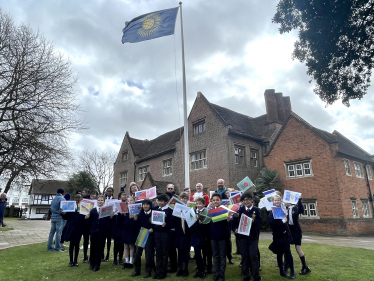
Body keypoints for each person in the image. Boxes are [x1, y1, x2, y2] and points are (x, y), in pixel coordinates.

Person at [234, 192, 262, 281]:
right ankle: (246, 275)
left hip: (253, 237)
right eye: (244, 200)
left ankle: (256, 276)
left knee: (253, 256)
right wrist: (235, 227)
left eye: (248, 199)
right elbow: (234, 221)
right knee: (245, 256)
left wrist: (254, 222)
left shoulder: (256, 210)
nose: (246, 201)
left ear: (252, 200)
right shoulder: (241, 210)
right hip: (243, 237)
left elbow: (261, 222)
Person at [268, 194, 295, 279]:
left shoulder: (284, 210)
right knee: (279, 254)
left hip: (285, 235)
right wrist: (282, 221)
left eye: (278, 200)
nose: (276, 202)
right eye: (275, 200)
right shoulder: (271, 212)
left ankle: (292, 272)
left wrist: (285, 219)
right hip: (277, 236)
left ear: (281, 201)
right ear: (273, 201)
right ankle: (281, 271)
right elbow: (272, 224)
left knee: (288, 253)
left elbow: (287, 224)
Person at [85, 195, 111, 272]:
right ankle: (91, 263)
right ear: (97, 201)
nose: (100, 201)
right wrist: (87, 218)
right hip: (93, 231)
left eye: (101, 200)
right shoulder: (93, 211)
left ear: (104, 201)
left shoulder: (106, 211)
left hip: (102, 232)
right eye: (99, 200)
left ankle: (97, 264)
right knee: (93, 247)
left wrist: (111, 216)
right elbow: (89, 222)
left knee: (100, 248)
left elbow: (108, 222)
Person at [286, 198, 311, 275]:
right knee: (286, 248)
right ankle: (286, 265)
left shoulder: (295, 208)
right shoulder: (285, 209)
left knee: (298, 248)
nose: (285, 202)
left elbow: (301, 210)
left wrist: (299, 201)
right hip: (289, 231)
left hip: (296, 231)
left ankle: (305, 267)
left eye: (286, 200)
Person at [60, 194, 85, 267]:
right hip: (71, 227)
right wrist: (61, 214)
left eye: (79, 198)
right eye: (76, 197)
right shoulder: (70, 207)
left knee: (77, 244)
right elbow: (66, 217)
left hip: (79, 228)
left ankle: (76, 261)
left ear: (81, 199)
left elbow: (84, 218)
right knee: (71, 245)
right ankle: (71, 261)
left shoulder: (83, 207)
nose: (77, 199)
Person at [210, 193, 231, 281]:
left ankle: (222, 274)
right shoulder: (209, 211)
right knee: (215, 255)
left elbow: (228, 226)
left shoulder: (225, 210)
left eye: (217, 200)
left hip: (222, 236)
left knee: (222, 256)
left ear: (221, 201)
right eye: (214, 200)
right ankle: (217, 273)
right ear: (211, 201)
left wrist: (228, 221)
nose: (215, 201)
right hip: (213, 237)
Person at [132, 199, 155, 278]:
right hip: (142, 234)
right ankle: (137, 270)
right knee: (137, 253)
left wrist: (153, 228)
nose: (145, 206)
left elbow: (156, 223)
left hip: (150, 235)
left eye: (147, 204)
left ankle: (148, 271)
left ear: (150, 205)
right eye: (144, 204)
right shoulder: (140, 214)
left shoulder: (153, 213)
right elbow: (136, 226)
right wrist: (135, 220)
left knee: (148, 254)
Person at [153, 194, 173, 280]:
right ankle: (158, 271)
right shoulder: (155, 209)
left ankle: (163, 271)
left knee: (164, 253)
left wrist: (167, 224)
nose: (160, 203)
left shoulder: (169, 211)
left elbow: (172, 223)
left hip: (165, 234)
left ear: (166, 202)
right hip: (157, 233)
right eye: (159, 201)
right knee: (158, 253)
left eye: (162, 201)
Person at [191, 197, 209, 279]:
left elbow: (208, 225)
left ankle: (205, 269)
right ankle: (200, 270)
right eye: (197, 204)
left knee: (205, 254)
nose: (198, 205)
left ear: (204, 204)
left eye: (200, 204)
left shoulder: (206, 212)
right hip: (195, 236)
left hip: (204, 237)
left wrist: (201, 221)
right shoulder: (193, 212)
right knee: (197, 254)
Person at [174, 192, 191, 277]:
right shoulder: (176, 208)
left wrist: (186, 219)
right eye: (182, 198)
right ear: (180, 199)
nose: (184, 200)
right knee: (180, 251)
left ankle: (186, 269)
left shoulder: (190, 208)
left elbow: (192, 221)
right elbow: (174, 220)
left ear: (187, 200)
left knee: (186, 252)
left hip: (187, 233)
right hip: (179, 233)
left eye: (185, 198)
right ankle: (180, 268)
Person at [121, 196, 138, 270]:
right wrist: (124, 215)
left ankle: (131, 261)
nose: (129, 202)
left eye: (131, 200)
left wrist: (134, 218)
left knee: (131, 246)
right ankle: (126, 261)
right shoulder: (124, 210)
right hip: (126, 229)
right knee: (125, 246)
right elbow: (122, 222)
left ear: (134, 201)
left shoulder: (137, 210)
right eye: (128, 201)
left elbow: (137, 222)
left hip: (132, 230)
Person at [111, 191, 126, 266]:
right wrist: (114, 212)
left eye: (125, 195)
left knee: (121, 244)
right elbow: (111, 218)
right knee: (116, 244)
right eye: (123, 195)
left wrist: (123, 213)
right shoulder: (115, 204)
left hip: (123, 227)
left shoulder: (126, 204)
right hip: (116, 227)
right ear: (120, 197)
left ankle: (120, 259)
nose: (125, 196)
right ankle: (114, 259)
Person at [165, 183, 178, 274]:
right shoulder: (163, 197)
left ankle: (174, 265)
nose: (170, 189)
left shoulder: (176, 198)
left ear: (173, 189)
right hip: (165, 227)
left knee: (173, 248)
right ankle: (170, 264)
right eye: (168, 188)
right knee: (168, 248)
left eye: (171, 188)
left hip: (174, 226)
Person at [102, 187, 114, 261]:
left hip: (110, 222)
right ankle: (102, 255)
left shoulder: (115, 199)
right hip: (104, 221)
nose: (109, 192)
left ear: (112, 192)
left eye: (110, 191)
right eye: (107, 191)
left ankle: (108, 255)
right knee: (103, 240)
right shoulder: (103, 199)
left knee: (109, 240)